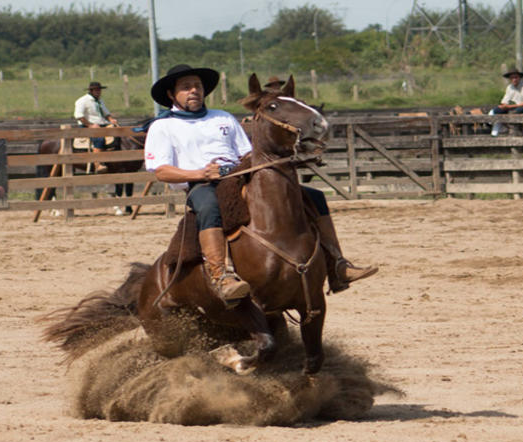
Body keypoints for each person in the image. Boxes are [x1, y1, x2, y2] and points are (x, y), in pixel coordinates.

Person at [144, 64, 376, 303]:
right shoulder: (163, 126)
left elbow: (247, 152)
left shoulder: (222, 117)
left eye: (198, 86)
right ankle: (221, 276)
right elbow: (162, 171)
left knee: (313, 196)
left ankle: (337, 265)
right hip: (202, 185)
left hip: (240, 176)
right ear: (172, 94)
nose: (194, 90)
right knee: (209, 207)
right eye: (186, 87)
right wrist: (201, 173)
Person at [74, 81, 119, 173]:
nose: (98, 92)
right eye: (96, 90)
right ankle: (98, 164)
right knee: (99, 139)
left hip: (101, 124)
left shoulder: (99, 101)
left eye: (99, 90)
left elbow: (106, 113)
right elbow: (79, 116)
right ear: (91, 91)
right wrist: (90, 125)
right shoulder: (82, 101)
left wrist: (111, 120)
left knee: (118, 133)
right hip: (87, 125)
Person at [489, 69, 523, 136]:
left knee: (515, 112)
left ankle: (515, 132)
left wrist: (508, 107)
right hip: (516, 105)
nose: (514, 79)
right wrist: (503, 106)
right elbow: (505, 101)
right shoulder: (510, 87)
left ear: (519, 77)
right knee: (497, 110)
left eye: (516, 77)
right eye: (512, 78)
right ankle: (496, 132)